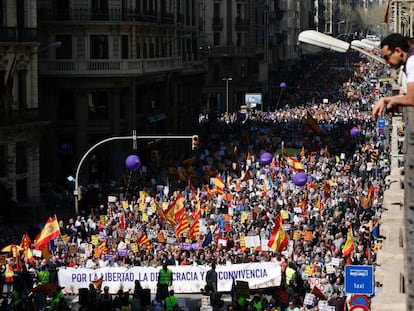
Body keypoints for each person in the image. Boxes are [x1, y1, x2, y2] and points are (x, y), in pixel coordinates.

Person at [372, 33, 414, 120]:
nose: (387, 62)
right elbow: (407, 95)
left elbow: (411, 99)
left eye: (387, 57)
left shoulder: (411, 61)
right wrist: (387, 100)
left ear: (398, 51)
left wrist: (390, 101)